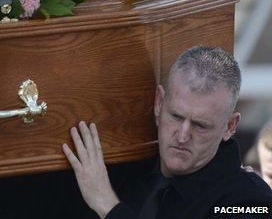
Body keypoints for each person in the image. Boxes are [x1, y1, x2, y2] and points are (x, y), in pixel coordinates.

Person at [62, 46, 272, 218]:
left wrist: (108, 205)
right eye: (176, 117)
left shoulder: (249, 201)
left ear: (230, 126)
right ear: (159, 102)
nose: (182, 136)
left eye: (200, 125)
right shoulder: (124, 171)